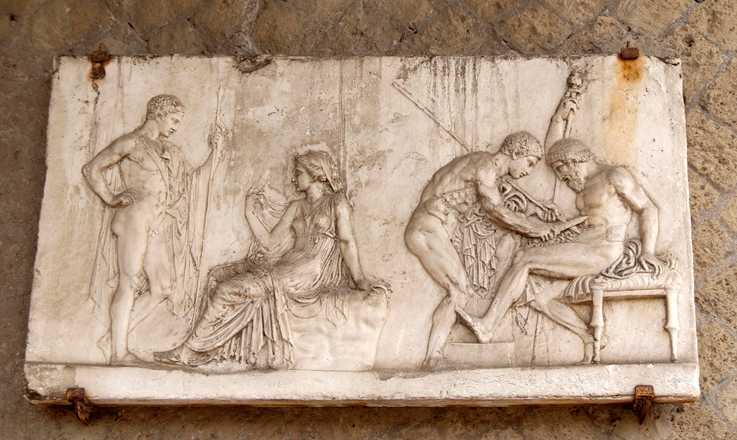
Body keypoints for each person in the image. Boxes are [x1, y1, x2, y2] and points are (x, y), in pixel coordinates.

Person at [155, 150, 374, 368]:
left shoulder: (337, 203)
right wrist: (250, 213)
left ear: (317, 174)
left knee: (227, 289)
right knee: (216, 276)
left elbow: (347, 242)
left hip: (308, 273)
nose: (293, 178)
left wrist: (359, 279)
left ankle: (191, 350)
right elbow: (269, 242)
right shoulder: (297, 206)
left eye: (299, 173)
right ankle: (209, 348)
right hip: (286, 266)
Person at [464, 135, 662, 362]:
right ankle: (590, 338)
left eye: (560, 169)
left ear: (573, 161)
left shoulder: (614, 176)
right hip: (583, 247)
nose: (561, 177)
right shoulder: (583, 186)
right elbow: (589, 221)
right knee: (540, 298)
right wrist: (556, 223)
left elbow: (648, 208)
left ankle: (488, 325)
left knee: (526, 258)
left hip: (604, 250)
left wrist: (648, 251)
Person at [83, 94, 220, 364]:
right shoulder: (131, 142)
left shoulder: (169, 150)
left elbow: (192, 179)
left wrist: (216, 151)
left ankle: (113, 337)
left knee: (163, 287)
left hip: (157, 221)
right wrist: (110, 198)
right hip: (134, 218)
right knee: (129, 281)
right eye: (174, 120)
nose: (176, 126)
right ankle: (118, 352)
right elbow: (92, 169)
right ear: (159, 114)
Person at [404, 131, 560, 368]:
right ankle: (432, 357)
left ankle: (434, 356)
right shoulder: (486, 167)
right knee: (459, 290)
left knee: (459, 291)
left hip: (429, 226)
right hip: (428, 228)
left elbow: (486, 208)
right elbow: (496, 211)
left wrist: (536, 212)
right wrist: (535, 229)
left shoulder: (478, 163)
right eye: (529, 162)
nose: (528, 171)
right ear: (516, 152)